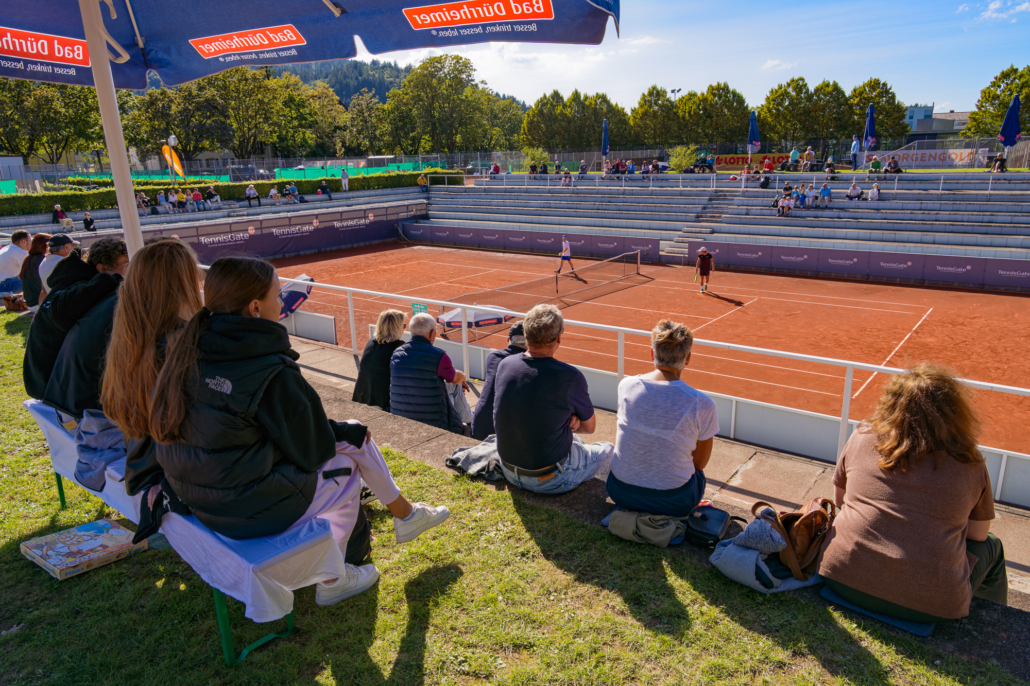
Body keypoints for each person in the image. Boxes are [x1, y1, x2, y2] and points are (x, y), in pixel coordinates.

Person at [142, 256, 451, 604]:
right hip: (241, 510)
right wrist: (342, 433)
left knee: (349, 438)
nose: (282, 302)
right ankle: (336, 577)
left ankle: (405, 516)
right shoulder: (266, 365)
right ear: (256, 307)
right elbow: (314, 451)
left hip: (201, 498)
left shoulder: (186, 348)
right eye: (278, 295)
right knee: (347, 468)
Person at [818, 363, 1008, 622]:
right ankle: (995, 621)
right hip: (931, 607)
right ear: (956, 413)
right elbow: (978, 534)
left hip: (840, 578)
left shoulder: (861, 437)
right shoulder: (970, 462)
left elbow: (841, 500)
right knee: (993, 545)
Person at [492, 304, 612, 494]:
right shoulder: (570, 376)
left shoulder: (505, 365)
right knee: (608, 450)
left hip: (508, 469)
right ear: (558, 338)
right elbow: (589, 428)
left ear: (526, 334)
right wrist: (573, 418)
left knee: (577, 442)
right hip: (550, 479)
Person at [606, 319, 717, 516]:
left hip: (619, 492)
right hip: (674, 502)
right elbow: (699, 464)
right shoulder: (702, 403)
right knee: (697, 475)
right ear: (688, 358)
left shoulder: (626, 385)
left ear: (652, 354)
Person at [23, 237, 128, 405]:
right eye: (127, 266)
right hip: (53, 390)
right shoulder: (78, 290)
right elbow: (62, 314)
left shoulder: (73, 283)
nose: (130, 272)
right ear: (101, 269)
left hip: (48, 383)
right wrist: (112, 280)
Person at [389, 312, 469, 434]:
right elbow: (455, 378)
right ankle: (472, 422)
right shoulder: (439, 356)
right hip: (432, 419)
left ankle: (470, 421)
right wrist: (463, 377)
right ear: (432, 333)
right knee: (455, 384)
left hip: (400, 413)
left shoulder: (396, 354)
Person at [470, 321, 527, 440]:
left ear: (508, 340)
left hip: (479, 427)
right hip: (501, 436)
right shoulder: (529, 366)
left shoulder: (492, 356)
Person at [353, 309, 406, 412]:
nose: (404, 328)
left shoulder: (371, 342)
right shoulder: (399, 346)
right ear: (397, 327)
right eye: (403, 325)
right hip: (384, 403)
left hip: (362, 396)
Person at [19, 233, 50, 309]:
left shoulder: (28, 259)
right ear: (46, 246)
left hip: (31, 305)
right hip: (41, 305)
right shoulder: (43, 261)